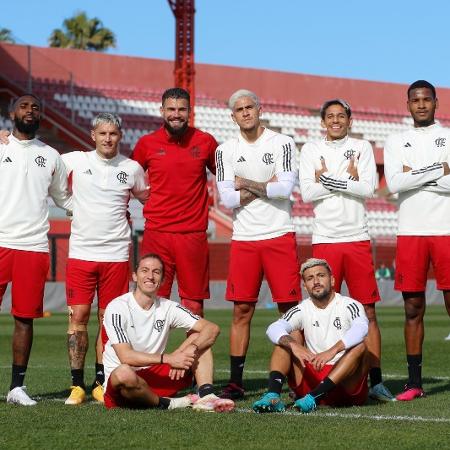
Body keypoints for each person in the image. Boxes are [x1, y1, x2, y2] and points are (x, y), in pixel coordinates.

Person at [299, 98, 394, 402]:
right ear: (323, 121)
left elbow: (367, 189)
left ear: (350, 120)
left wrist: (326, 179)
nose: (336, 121)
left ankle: (376, 381)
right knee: (321, 310)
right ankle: (319, 377)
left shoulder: (362, 147)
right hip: (325, 238)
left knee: (368, 311)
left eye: (341, 116)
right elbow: (307, 192)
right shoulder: (311, 149)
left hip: (356, 237)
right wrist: (346, 179)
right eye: (331, 116)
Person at [215, 89, 301, 399]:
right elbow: (226, 199)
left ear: (259, 108)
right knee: (241, 311)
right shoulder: (225, 150)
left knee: (291, 311)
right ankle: (236, 382)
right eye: (239, 109)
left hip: (279, 233)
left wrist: (245, 183)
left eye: (250, 106)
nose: (246, 112)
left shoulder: (282, 143)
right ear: (233, 116)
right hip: (244, 239)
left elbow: (285, 189)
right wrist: (267, 186)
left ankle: (297, 380)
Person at [61, 113, 149, 405]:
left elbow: (147, 197)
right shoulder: (75, 161)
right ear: (92, 135)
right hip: (81, 254)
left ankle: (100, 382)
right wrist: (70, 205)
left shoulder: (132, 168)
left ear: (120, 136)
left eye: (113, 133)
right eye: (103, 133)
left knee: (107, 321)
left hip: (115, 255)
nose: (108, 138)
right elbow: (44, 167)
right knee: (78, 318)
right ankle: (77, 386)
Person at [0, 94, 71, 406]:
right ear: (11, 113)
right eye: (24, 106)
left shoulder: (52, 156)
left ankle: (17, 387)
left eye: (36, 107)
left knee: (24, 318)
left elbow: (64, 199)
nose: (30, 111)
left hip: (33, 247)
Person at [384, 80, 450, 401]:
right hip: (410, 231)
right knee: (412, 308)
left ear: (436, 103)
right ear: (407, 104)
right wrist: (438, 170)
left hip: (446, 230)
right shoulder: (396, 141)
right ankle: (414, 383)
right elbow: (395, 182)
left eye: (426, 100)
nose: (421, 105)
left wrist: (416, 175)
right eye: (415, 100)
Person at [102, 253, 235, 412]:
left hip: (156, 378)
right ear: (135, 276)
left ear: (163, 280)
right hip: (123, 386)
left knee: (199, 338)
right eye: (144, 270)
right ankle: (168, 403)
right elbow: (126, 357)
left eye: (156, 272)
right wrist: (169, 359)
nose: (150, 276)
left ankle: (207, 396)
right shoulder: (117, 307)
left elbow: (212, 328)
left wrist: (186, 352)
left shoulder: (168, 307)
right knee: (124, 372)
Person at [131, 88, 217, 317]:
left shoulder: (205, 142)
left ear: (189, 111)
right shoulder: (146, 143)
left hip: (193, 235)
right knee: (151, 300)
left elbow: (227, 177)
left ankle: (193, 354)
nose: (176, 114)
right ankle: (151, 354)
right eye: (171, 109)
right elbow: (127, 179)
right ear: (162, 111)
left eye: (181, 109)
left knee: (194, 304)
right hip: (157, 233)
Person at [253, 258, 369, 414]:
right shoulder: (302, 308)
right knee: (285, 340)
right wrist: (294, 346)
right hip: (313, 372)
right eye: (310, 278)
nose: (316, 281)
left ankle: (314, 397)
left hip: (344, 381)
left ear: (332, 280)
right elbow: (274, 328)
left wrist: (332, 351)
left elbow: (361, 328)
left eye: (321, 275)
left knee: (361, 346)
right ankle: (273, 396)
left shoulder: (349, 305)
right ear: (305, 286)